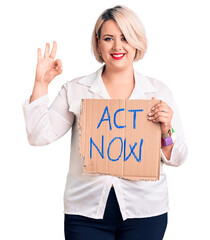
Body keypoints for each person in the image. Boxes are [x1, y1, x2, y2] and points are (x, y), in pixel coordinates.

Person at [22, 5, 187, 240]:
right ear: (98, 43)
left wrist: (165, 130)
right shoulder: (76, 90)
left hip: (145, 211)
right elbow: (39, 136)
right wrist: (41, 84)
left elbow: (178, 157)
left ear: (136, 43)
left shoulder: (158, 92)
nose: (118, 46)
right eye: (109, 38)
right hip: (86, 213)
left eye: (125, 38)